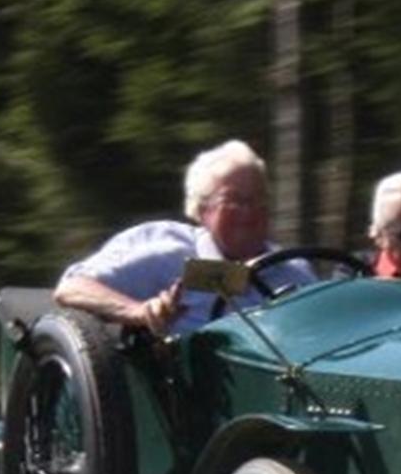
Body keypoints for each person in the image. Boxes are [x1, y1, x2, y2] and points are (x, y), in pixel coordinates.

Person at [54, 139, 312, 335]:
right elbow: (71, 288)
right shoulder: (166, 251)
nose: (248, 211)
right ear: (202, 209)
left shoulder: (295, 272)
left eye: (258, 200)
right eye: (233, 201)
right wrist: (140, 311)